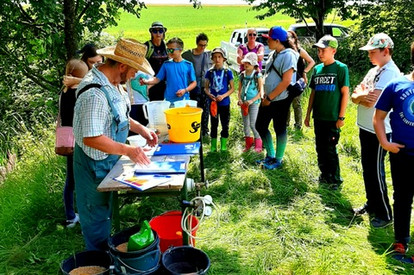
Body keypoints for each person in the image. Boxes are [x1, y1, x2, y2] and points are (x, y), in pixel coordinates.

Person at [73, 38, 158, 251]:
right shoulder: (94, 92)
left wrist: (141, 129)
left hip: (108, 160)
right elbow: (91, 137)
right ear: (121, 66)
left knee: (106, 212)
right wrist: (128, 150)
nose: (134, 75)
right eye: (133, 70)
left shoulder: (114, 84)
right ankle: (97, 261)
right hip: (93, 163)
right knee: (96, 218)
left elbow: (119, 116)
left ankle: (108, 257)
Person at [351, 33, 400, 228]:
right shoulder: (374, 71)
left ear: (385, 51)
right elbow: (357, 94)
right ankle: (372, 203)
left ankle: (385, 214)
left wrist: (362, 95)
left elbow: (374, 99)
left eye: (373, 52)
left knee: (375, 171)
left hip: (379, 129)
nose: (369, 55)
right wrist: (360, 95)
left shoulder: (390, 72)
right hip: (366, 126)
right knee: (367, 169)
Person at [373, 41, 414, 261]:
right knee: (402, 198)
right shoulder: (397, 85)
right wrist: (385, 143)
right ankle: (400, 241)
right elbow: (378, 118)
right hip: (402, 155)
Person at [304, 35, 349, 189]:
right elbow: (313, 94)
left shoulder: (340, 68)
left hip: (332, 117)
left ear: (333, 50)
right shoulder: (317, 69)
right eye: (318, 50)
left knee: (330, 148)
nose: (320, 53)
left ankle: (335, 179)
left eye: (324, 50)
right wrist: (308, 114)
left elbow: (345, 93)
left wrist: (341, 116)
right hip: (319, 116)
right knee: (320, 147)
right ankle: (324, 175)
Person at [255, 26, 299, 169]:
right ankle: (270, 155)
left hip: (280, 99)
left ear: (278, 40)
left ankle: (278, 160)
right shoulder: (274, 53)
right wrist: (264, 95)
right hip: (268, 98)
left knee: (279, 128)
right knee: (260, 125)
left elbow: (286, 81)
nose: (267, 41)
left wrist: (270, 98)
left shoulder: (288, 55)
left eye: (269, 39)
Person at [60, 59, 89, 228]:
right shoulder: (78, 91)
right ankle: (79, 215)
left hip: (68, 140)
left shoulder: (64, 91)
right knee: (80, 179)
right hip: (79, 139)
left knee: (70, 180)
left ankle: (70, 215)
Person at [141, 37, 197, 104]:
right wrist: (146, 82)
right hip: (169, 100)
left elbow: (194, 83)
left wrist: (185, 90)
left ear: (180, 50)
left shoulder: (188, 65)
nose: (169, 52)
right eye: (168, 50)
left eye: (172, 50)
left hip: (184, 100)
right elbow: (157, 79)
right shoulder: (166, 64)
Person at [205, 47, 235, 152]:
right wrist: (209, 95)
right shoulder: (210, 72)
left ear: (224, 59)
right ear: (212, 59)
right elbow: (206, 87)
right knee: (213, 124)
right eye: (215, 57)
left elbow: (232, 88)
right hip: (213, 103)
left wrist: (223, 96)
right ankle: (213, 146)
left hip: (224, 103)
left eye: (219, 57)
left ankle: (223, 146)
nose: (217, 59)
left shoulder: (228, 72)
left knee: (225, 124)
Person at [182, 33, 212, 136]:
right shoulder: (187, 55)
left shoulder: (208, 55)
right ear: (196, 44)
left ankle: (205, 130)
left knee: (206, 109)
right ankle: (195, 130)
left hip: (205, 86)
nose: (202, 47)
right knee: (195, 108)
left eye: (204, 45)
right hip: (193, 86)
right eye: (200, 45)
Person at [286, 30, 315, 130]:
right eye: (287, 37)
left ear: (295, 38)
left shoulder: (299, 50)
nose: (289, 39)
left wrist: (305, 72)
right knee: (286, 103)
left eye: (290, 37)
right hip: (287, 80)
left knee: (296, 103)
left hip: (298, 80)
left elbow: (311, 62)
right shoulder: (284, 51)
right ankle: (286, 124)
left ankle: (298, 125)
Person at [237, 52, 263, 152]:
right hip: (244, 104)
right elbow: (239, 90)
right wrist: (239, 100)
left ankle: (258, 144)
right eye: (245, 62)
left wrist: (252, 100)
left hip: (254, 103)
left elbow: (261, 91)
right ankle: (248, 144)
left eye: (249, 63)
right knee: (246, 124)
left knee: (253, 124)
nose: (246, 64)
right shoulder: (242, 75)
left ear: (254, 65)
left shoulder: (257, 75)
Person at [145, 22, 169, 101]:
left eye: (160, 31)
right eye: (155, 31)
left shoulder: (166, 46)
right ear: (151, 33)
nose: (158, 34)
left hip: (165, 82)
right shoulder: (147, 46)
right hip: (151, 82)